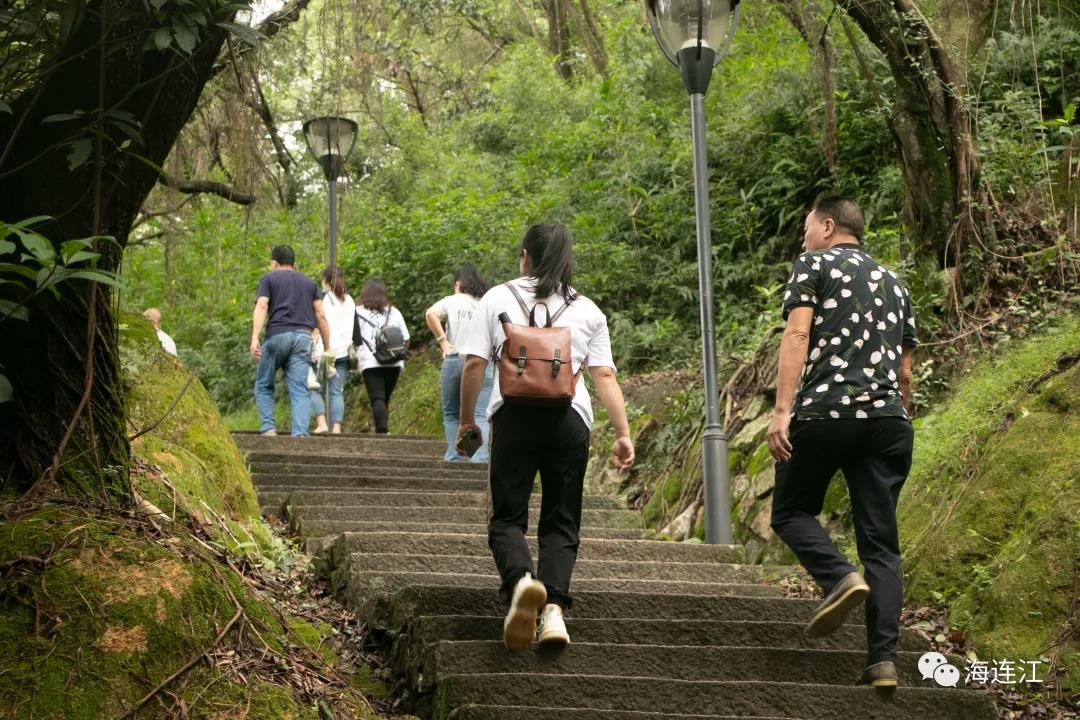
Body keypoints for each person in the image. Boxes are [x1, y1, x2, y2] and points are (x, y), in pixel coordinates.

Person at [456, 222, 636, 652]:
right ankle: (554, 610)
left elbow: (473, 366)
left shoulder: (496, 297)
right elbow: (604, 375)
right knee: (561, 518)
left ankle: (520, 582)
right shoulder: (588, 309)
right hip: (569, 420)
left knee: (506, 517)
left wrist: (468, 421)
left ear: (525, 256)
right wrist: (623, 433)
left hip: (515, 416)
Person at [766, 196, 918, 688]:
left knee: (789, 511)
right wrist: (894, 415)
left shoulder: (813, 263)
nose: (804, 238)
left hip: (826, 413)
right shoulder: (895, 283)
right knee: (882, 545)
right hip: (888, 420)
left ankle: (837, 577)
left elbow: (796, 335)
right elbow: (904, 370)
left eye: (808, 228)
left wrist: (782, 410)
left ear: (829, 227)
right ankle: (882, 661)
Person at [250, 245, 332, 437]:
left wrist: (255, 337)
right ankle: (300, 435)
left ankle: (269, 429)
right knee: (300, 389)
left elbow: (262, 305)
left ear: (274, 263)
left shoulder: (268, 279)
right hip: (303, 338)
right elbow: (320, 314)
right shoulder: (310, 283)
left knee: (264, 384)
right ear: (294, 264)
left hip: (277, 335)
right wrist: (327, 347)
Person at [425, 264, 494, 463]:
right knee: (480, 412)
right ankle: (478, 459)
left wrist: (443, 341)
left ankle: (455, 458)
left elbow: (431, 314)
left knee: (452, 414)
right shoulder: (486, 303)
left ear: (458, 283)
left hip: (455, 359)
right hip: (482, 362)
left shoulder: (452, 301)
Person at [352, 278, 409, 434]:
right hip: (394, 361)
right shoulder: (394, 312)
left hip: (370, 362)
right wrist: (396, 354)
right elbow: (406, 338)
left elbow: (354, 339)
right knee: (385, 398)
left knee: (378, 398)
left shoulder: (357, 312)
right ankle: (382, 430)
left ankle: (382, 432)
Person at [309, 266, 357, 434]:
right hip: (344, 353)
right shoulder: (350, 300)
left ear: (326, 281)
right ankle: (336, 428)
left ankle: (322, 423)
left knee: (313, 387)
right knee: (336, 391)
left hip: (325, 352)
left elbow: (316, 321)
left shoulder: (323, 299)